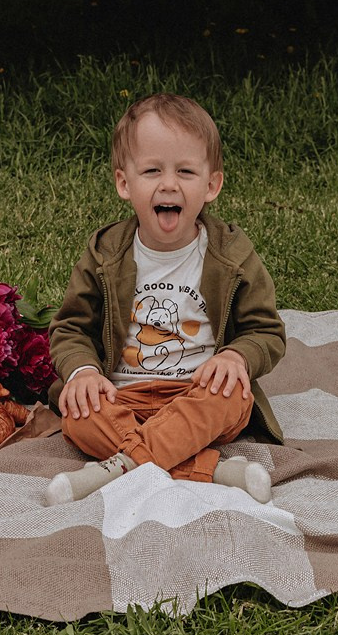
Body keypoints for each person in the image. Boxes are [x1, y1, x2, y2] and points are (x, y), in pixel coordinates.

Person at [45, 93, 286, 506]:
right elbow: (71, 327)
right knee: (80, 413)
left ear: (212, 185)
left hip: (197, 393)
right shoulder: (106, 254)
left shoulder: (231, 255)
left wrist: (236, 358)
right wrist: (82, 371)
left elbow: (265, 331)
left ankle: (117, 468)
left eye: (186, 171)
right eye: (152, 170)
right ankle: (210, 470)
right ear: (125, 182)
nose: (169, 184)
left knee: (233, 397)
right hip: (123, 397)